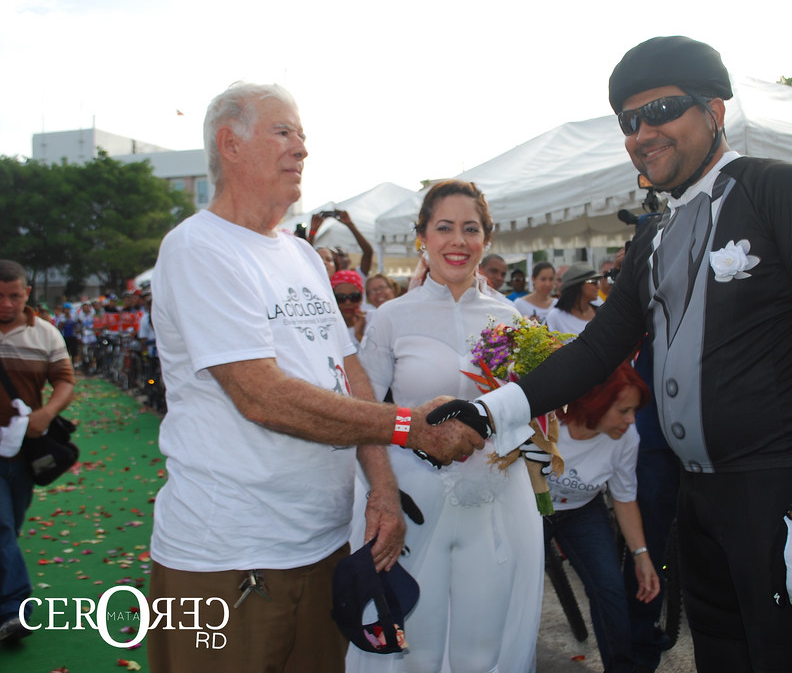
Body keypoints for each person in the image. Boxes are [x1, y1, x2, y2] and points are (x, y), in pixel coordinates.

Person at [432, 36, 792, 672]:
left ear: (714, 110)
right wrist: (486, 412)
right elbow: (600, 347)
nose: (643, 132)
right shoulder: (655, 234)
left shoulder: (785, 192)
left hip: (779, 486)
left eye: (662, 109)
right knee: (720, 655)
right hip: (698, 496)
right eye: (629, 121)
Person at [146, 82, 483, 673]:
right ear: (229, 144)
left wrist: (380, 487)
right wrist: (408, 425)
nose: (302, 148)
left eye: (302, 135)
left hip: (324, 548)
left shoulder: (300, 255)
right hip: (228, 557)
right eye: (284, 132)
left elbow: (347, 371)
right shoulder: (197, 248)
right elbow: (262, 396)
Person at [351, 179, 543, 673]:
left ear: (487, 238)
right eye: (444, 228)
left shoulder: (512, 317)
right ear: (422, 237)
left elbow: (530, 410)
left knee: (482, 649)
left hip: (495, 498)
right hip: (414, 498)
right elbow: (364, 411)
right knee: (418, 646)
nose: (458, 241)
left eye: (470, 229)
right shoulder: (392, 318)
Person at [545, 362, 660, 673]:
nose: (631, 419)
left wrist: (642, 556)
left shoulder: (626, 438)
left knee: (609, 588)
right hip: (532, 510)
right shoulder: (548, 423)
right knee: (518, 590)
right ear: (596, 402)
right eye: (623, 410)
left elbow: (624, 498)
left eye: (634, 410)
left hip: (581, 510)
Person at [0, 259, 75, 642]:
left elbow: (64, 380)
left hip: (22, 451)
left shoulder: (44, 334)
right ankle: (14, 609)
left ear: (27, 293)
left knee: (10, 524)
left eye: (14, 295)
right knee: (0, 526)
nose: (6, 304)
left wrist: (47, 413)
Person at [308, 209, 375, 280]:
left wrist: (350, 225)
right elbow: (305, 257)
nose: (324, 262)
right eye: (320, 259)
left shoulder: (355, 277)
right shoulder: (316, 280)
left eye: (341, 255)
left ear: (349, 260)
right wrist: (312, 232)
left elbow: (368, 252)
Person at [545, 263, 599, 335]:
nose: (598, 287)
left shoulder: (600, 313)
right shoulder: (555, 317)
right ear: (578, 285)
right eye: (593, 282)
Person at [332, 269, 367, 346]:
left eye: (354, 297)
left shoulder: (373, 322)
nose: (348, 302)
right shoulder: (328, 329)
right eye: (341, 298)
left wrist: (359, 336)